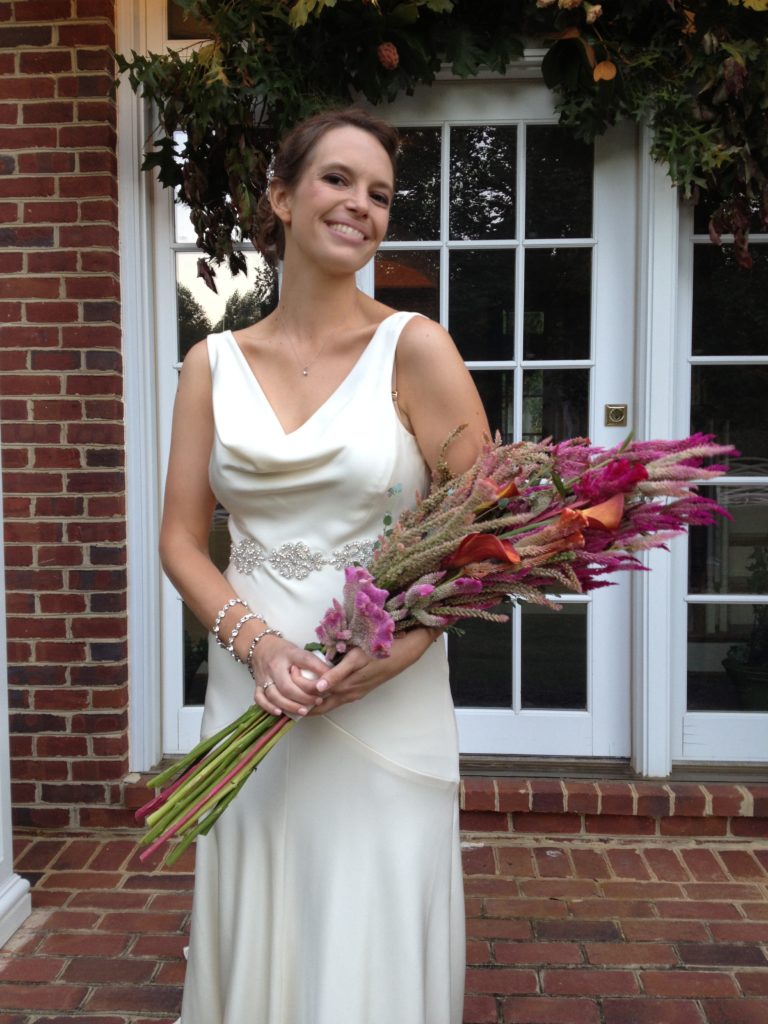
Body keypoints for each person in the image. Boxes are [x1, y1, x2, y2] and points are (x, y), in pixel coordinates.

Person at [160, 106, 490, 1024]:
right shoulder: (211, 364)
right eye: (338, 180)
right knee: (264, 915)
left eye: (380, 193)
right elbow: (182, 538)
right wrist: (257, 644)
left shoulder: (415, 348)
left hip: (385, 702)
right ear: (281, 196)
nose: (361, 205)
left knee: (368, 932)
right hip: (253, 694)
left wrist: (408, 648)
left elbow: (482, 541)